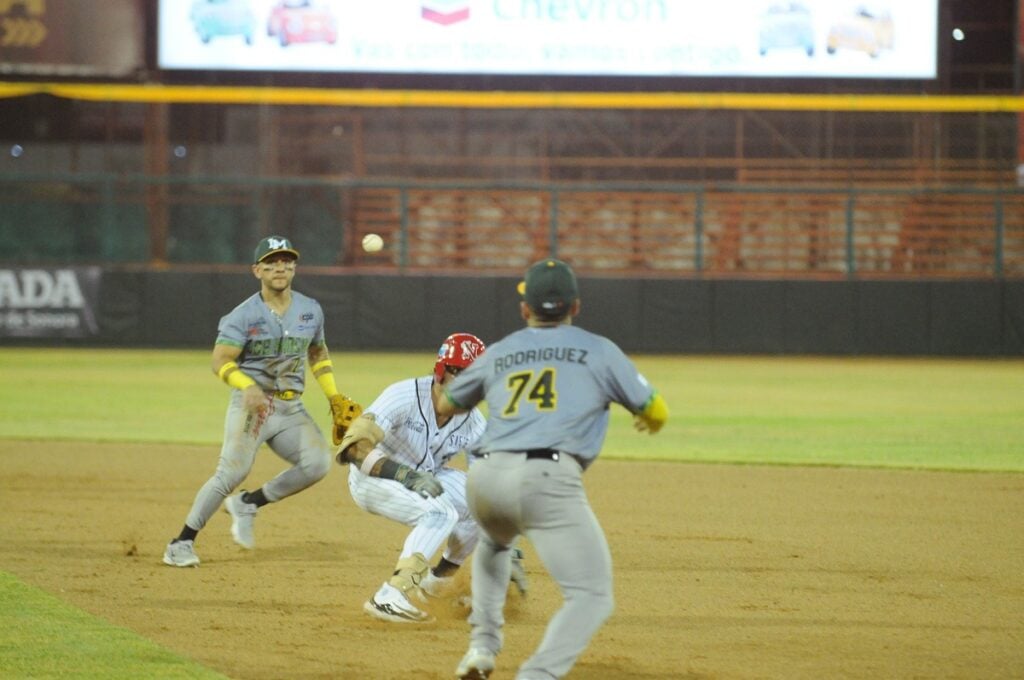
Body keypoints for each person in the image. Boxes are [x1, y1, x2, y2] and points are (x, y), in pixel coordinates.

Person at [439, 258, 669, 679]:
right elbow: (656, 410)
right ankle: (538, 675)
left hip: (485, 478)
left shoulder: (502, 350)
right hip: (546, 479)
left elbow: (448, 403)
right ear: (575, 306)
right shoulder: (599, 348)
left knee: (494, 543)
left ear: (525, 309)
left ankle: (481, 649)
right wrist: (647, 418)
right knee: (592, 596)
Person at [163, 235, 362, 567]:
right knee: (231, 472)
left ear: (294, 267)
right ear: (257, 271)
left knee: (317, 464)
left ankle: (249, 503)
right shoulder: (241, 316)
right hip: (252, 407)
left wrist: (334, 395)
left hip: (290, 408)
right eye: (272, 263)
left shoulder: (310, 310)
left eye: (286, 262)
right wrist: (246, 385)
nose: (280, 268)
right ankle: (180, 542)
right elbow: (220, 360)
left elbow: (317, 352)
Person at [335, 332, 527, 623]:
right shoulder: (403, 396)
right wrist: (404, 474)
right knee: (441, 513)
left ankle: (435, 584)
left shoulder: (474, 421)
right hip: (372, 478)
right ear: (442, 371)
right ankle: (391, 595)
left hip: (428, 477)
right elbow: (353, 448)